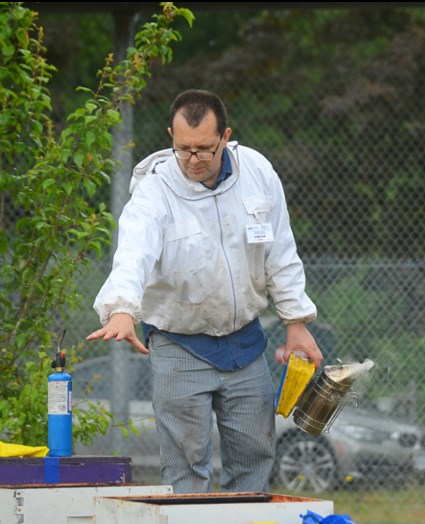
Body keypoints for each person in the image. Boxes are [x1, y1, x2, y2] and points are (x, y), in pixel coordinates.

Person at [87, 89, 323, 494]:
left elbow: (280, 250)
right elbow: (133, 252)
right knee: (185, 473)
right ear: (170, 138)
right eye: (183, 149)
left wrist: (296, 322)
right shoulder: (154, 191)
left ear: (225, 136)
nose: (193, 160)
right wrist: (122, 308)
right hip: (179, 345)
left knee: (254, 463)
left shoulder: (258, 172)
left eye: (204, 150)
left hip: (246, 343)